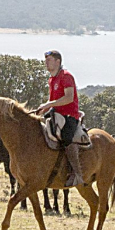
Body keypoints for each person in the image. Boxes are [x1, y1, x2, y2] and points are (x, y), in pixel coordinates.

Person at [35, 49, 83, 187]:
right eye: (46, 60)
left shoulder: (66, 76)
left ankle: (76, 173)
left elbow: (69, 97)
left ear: (58, 61)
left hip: (69, 116)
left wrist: (49, 104)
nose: (46, 63)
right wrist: (43, 108)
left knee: (66, 137)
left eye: (49, 60)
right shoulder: (52, 79)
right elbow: (52, 100)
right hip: (56, 114)